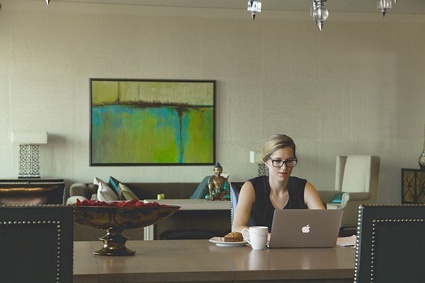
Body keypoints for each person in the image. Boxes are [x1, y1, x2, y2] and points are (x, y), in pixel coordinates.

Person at [232, 134, 325, 233]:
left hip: (295, 247)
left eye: (289, 161)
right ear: (266, 161)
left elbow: (325, 222)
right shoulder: (251, 187)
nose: (284, 167)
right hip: (258, 247)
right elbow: (237, 227)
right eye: (277, 161)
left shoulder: (304, 187)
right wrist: (268, 237)